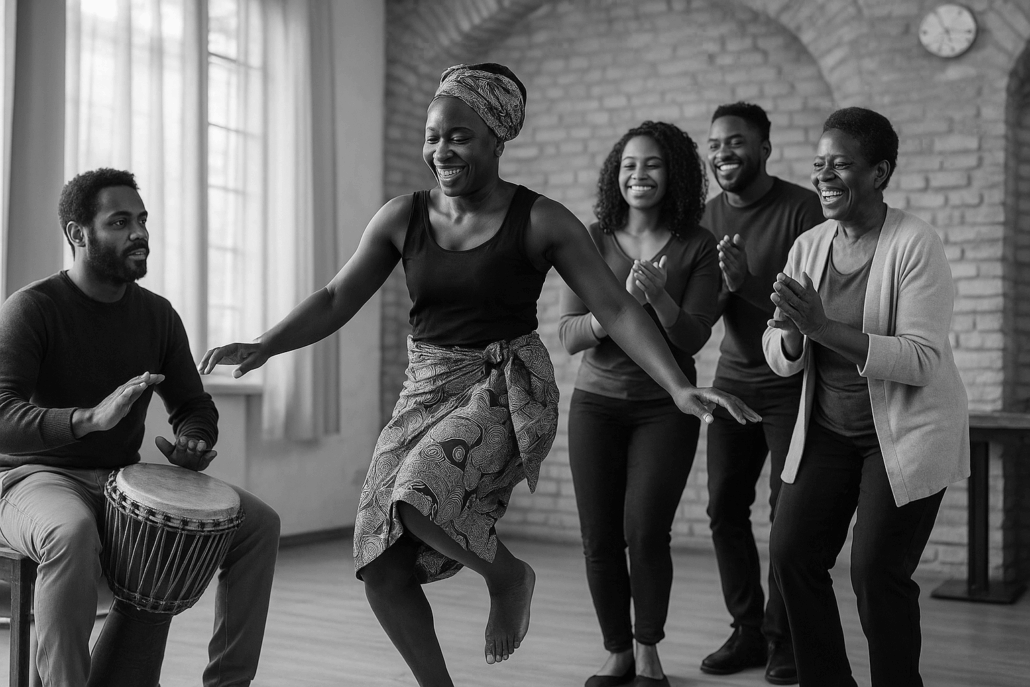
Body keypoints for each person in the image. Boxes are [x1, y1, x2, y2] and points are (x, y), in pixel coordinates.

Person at [199, 63, 760, 687]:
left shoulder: (542, 220)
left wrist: (678, 387)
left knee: (414, 493)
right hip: (425, 387)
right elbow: (335, 298)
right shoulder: (401, 216)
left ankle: (508, 576)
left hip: (506, 387)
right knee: (378, 561)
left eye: (460, 136)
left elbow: (617, 306)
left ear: (497, 139)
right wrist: (266, 345)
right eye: (434, 135)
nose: (442, 150)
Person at [0, 168, 281, 687]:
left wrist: (195, 440)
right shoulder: (32, 309)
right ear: (76, 233)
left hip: (117, 480)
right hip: (31, 479)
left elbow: (194, 405)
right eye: (120, 222)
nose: (140, 233)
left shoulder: (158, 316)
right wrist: (88, 419)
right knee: (72, 532)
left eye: (143, 220)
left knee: (258, 524)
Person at [763, 107, 969, 686]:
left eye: (842, 165)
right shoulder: (808, 246)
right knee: (792, 556)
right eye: (819, 164)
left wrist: (823, 327)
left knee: (877, 573)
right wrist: (791, 334)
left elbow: (922, 359)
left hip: (902, 435)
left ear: (879, 172)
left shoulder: (914, 243)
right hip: (827, 430)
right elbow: (779, 349)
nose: (826, 176)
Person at [558, 121, 719, 687]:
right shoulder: (591, 239)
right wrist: (616, 308)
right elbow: (569, 334)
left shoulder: (696, 244)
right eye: (628, 165)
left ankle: (648, 648)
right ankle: (617, 651)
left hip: (665, 409)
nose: (638, 175)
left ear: (671, 173)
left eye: (651, 164)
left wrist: (661, 301)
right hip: (596, 407)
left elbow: (695, 338)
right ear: (615, 174)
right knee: (599, 537)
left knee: (645, 531)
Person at [700, 102, 823, 685]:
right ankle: (746, 629)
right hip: (733, 381)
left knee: (786, 516)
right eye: (716, 143)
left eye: (736, 142)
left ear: (765, 149)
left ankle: (783, 637)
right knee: (724, 508)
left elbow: (806, 309)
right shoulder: (706, 217)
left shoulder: (803, 209)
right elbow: (706, 307)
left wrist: (745, 281)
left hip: (793, 382)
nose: (724, 152)